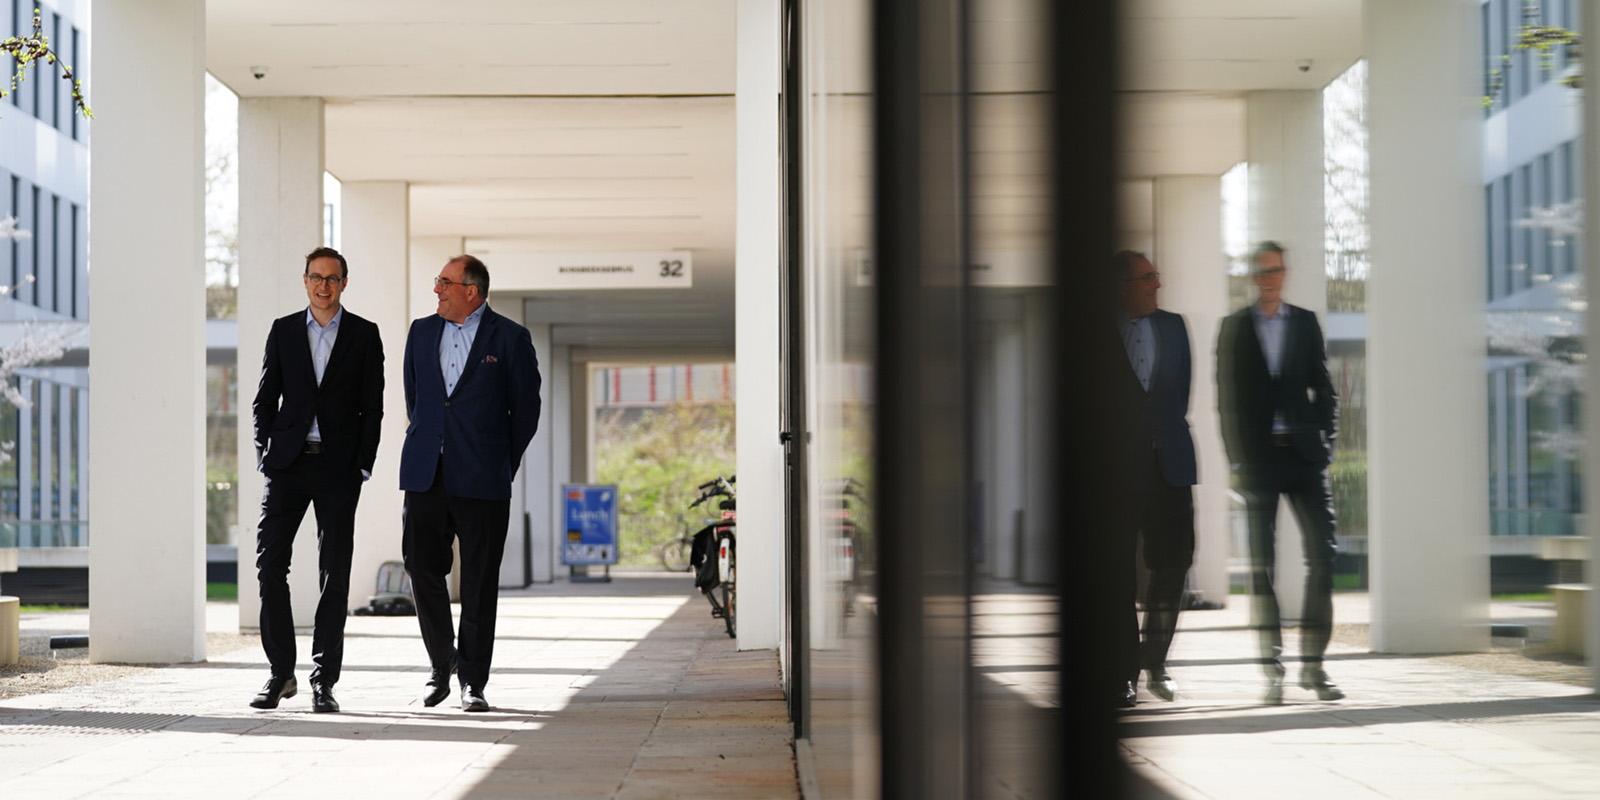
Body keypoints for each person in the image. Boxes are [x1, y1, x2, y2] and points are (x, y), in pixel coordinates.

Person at [400, 254, 542, 712]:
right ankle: (442, 665)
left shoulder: (512, 338)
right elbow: (416, 400)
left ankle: (473, 682)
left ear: (471, 292)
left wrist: (501, 463)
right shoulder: (421, 332)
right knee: (422, 568)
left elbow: (526, 413)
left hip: (483, 479)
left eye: (444, 282)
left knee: (479, 581)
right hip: (426, 475)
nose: (436, 290)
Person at [250, 246, 385, 712]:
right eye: (315, 277)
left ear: (344, 283)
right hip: (287, 464)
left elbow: (373, 407)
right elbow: (265, 398)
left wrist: (362, 464)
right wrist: (264, 452)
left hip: (338, 467)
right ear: (304, 280)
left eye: (331, 278)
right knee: (270, 565)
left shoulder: (365, 335)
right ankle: (280, 673)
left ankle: (323, 681)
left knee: (335, 574)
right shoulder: (284, 330)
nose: (323, 285)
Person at [1216, 241, 1344, 704]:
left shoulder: (1305, 322)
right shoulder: (1234, 328)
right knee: (1261, 568)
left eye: (1277, 271)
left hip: (1305, 457)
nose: (1270, 278)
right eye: (1263, 271)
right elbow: (1226, 400)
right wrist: (1238, 460)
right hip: (1260, 461)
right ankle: (1272, 670)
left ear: (1285, 274)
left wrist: (1326, 443)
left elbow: (1325, 389)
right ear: (1254, 276)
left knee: (1323, 558)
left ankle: (1314, 667)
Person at [1114, 251, 1196, 705]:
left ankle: (1155, 662)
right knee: (1118, 572)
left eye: (1157, 276)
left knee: (1174, 562)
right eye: (1147, 278)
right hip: (1119, 473)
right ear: (1122, 285)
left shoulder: (1174, 326)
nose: (1156, 285)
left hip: (1171, 465)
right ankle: (1124, 672)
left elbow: (1178, 395)